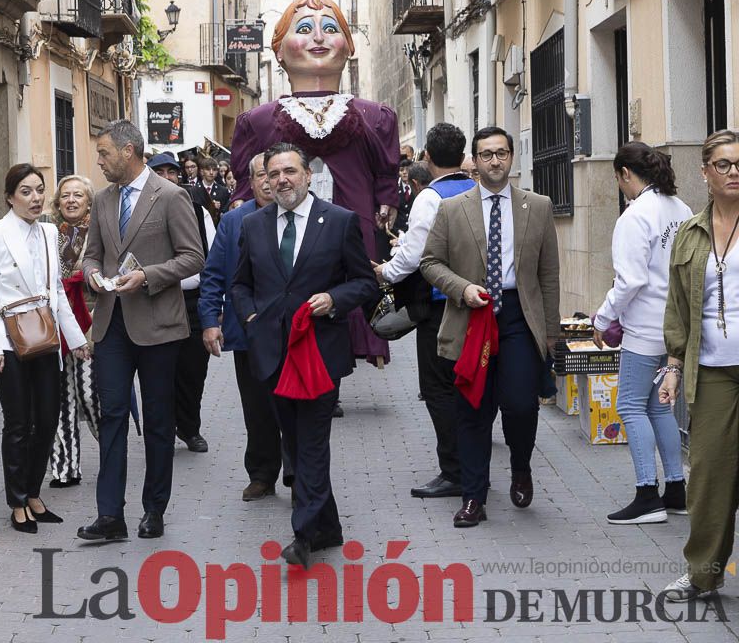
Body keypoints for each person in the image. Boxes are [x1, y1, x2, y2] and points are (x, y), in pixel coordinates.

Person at [229, 0, 400, 368]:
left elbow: (385, 170)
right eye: (304, 29)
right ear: (280, 50)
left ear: (348, 47)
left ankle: (337, 360)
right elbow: (245, 179)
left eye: (330, 29)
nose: (318, 38)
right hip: (285, 235)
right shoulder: (257, 120)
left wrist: (386, 197)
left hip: (349, 228)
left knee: (345, 286)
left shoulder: (374, 117)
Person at [232, 143, 380, 567]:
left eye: (289, 171)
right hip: (273, 353)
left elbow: (365, 284)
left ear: (308, 174)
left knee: (312, 443)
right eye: (272, 173)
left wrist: (333, 299)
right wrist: (251, 316)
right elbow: (240, 284)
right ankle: (328, 528)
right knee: (294, 443)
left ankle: (303, 535)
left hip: (319, 353)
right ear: (263, 179)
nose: (281, 179)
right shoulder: (254, 225)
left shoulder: (339, 222)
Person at [420, 126, 561, 529]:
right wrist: (462, 289)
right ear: (474, 162)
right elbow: (430, 263)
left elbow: (548, 272)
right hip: (472, 318)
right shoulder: (453, 209)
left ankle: (520, 466)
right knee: (473, 411)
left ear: (512, 158)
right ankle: (473, 497)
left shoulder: (538, 206)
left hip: (519, 317)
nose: (494, 161)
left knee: (519, 403)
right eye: (486, 154)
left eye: (501, 153)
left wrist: (551, 332)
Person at [77, 120, 205, 542]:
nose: (99, 160)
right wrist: (94, 275)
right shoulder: (102, 200)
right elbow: (91, 256)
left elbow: (193, 258)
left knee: (157, 421)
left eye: (104, 153)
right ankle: (110, 516)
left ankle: (154, 510)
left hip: (158, 326)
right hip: (111, 324)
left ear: (128, 151)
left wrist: (147, 276)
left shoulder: (171, 196)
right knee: (112, 415)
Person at [0, 165, 91, 533]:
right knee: (18, 422)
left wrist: (77, 339)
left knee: (48, 419)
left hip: (45, 337)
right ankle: (17, 500)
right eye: (26, 191)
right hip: (8, 339)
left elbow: (55, 289)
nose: (35, 198)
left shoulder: (48, 232)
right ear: (10, 196)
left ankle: (34, 491)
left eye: (39, 190)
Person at [590, 143, 692, 524]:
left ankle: (647, 494)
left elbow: (630, 280)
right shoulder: (679, 209)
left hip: (645, 327)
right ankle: (676, 490)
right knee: (657, 406)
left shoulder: (634, 217)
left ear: (626, 174)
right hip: (673, 326)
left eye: (619, 180)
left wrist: (602, 317)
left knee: (631, 406)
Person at [659, 129, 739, 603]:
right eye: (724, 164)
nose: (734, 172)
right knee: (709, 474)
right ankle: (705, 574)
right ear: (705, 171)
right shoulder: (689, 233)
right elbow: (678, 309)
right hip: (711, 371)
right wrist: (672, 366)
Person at [377, 123, 476, 500]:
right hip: (478, 304)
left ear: (428, 158)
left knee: (438, 389)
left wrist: (384, 270)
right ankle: (473, 461)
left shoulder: (429, 198)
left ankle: (454, 470)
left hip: (440, 307)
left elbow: (414, 256)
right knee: (471, 385)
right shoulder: (477, 190)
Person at [200, 153, 291, 501]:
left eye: (275, 173)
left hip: (293, 332)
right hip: (249, 333)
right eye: (261, 176)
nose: (269, 181)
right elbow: (213, 275)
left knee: (293, 406)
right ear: (250, 182)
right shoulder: (233, 221)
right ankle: (262, 474)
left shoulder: (305, 218)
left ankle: (298, 473)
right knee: (256, 408)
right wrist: (210, 322)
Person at [149, 153, 216, 453]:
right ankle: (162, 430)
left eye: (171, 172)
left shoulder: (198, 211)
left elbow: (214, 260)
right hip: (155, 299)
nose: (166, 177)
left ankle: (190, 428)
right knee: (159, 371)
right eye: (158, 171)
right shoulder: (139, 211)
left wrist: (216, 306)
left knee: (193, 370)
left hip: (192, 301)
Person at [48, 175, 102, 489]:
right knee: (61, 399)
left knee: (91, 395)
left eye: (77, 195)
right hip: (56, 327)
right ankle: (65, 468)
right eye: (65, 195)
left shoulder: (100, 233)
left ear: (88, 201)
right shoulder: (48, 233)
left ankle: (112, 451)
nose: (70, 200)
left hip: (90, 322)